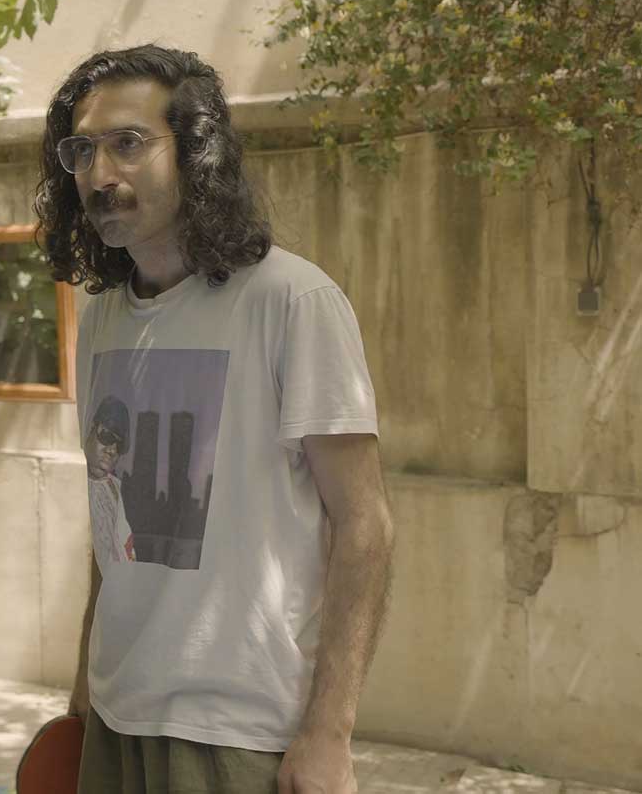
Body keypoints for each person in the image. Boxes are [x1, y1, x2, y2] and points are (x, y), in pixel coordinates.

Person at [34, 45, 395, 793]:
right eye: (83, 150)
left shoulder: (292, 301)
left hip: (236, 733)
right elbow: (111, 520)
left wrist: (329, 731)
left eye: (128, 143)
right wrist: (83, 687)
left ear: (196, 151)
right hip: (114, 716)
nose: (100, 174)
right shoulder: (100, 318)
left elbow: (364, 524)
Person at [85, 396, 136, 566]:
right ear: (90, 430)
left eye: (120, 446)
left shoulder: (117, 491)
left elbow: (126, 551)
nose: (112, 450)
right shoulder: (65, 478)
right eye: (106, 436)